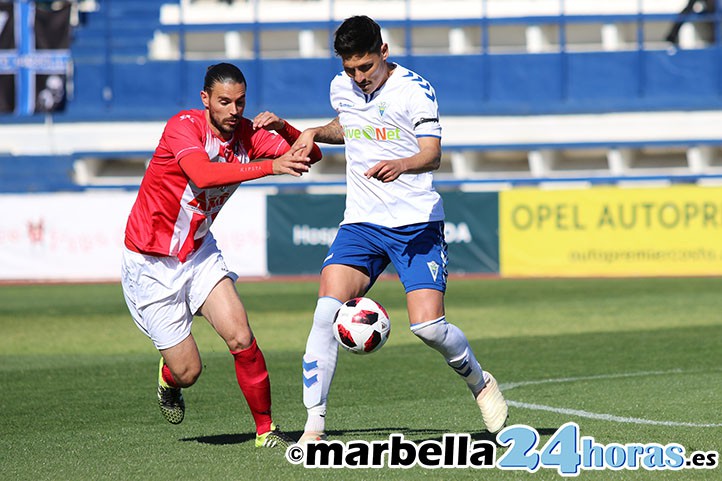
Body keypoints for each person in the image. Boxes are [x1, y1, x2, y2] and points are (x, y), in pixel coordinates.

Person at [293, 16, 508, 444]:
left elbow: (432, 154)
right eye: (350, 69)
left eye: (366, 68)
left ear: (384, 52)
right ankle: (314, 428)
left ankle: (480, 382)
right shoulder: (342, 88)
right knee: (324, 314)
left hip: (415, 225)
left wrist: (402, 164)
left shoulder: (415, 89)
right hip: (361, 223)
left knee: (428, 328)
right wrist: (317, 131)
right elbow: (349, 127)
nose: (358, 78)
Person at [121, 62, 321, 449]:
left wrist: (283, 128)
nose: (234, 110)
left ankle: (266, 431)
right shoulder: (183, 126)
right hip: (149, 263)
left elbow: (309, 156)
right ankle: (169, 379)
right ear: (206, 100)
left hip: (198, 253)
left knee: (241, 336)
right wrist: (270, 167)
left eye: (240, 102)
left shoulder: (248, 134)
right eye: (225, 102)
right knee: (189, 370)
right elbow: (204, 175)